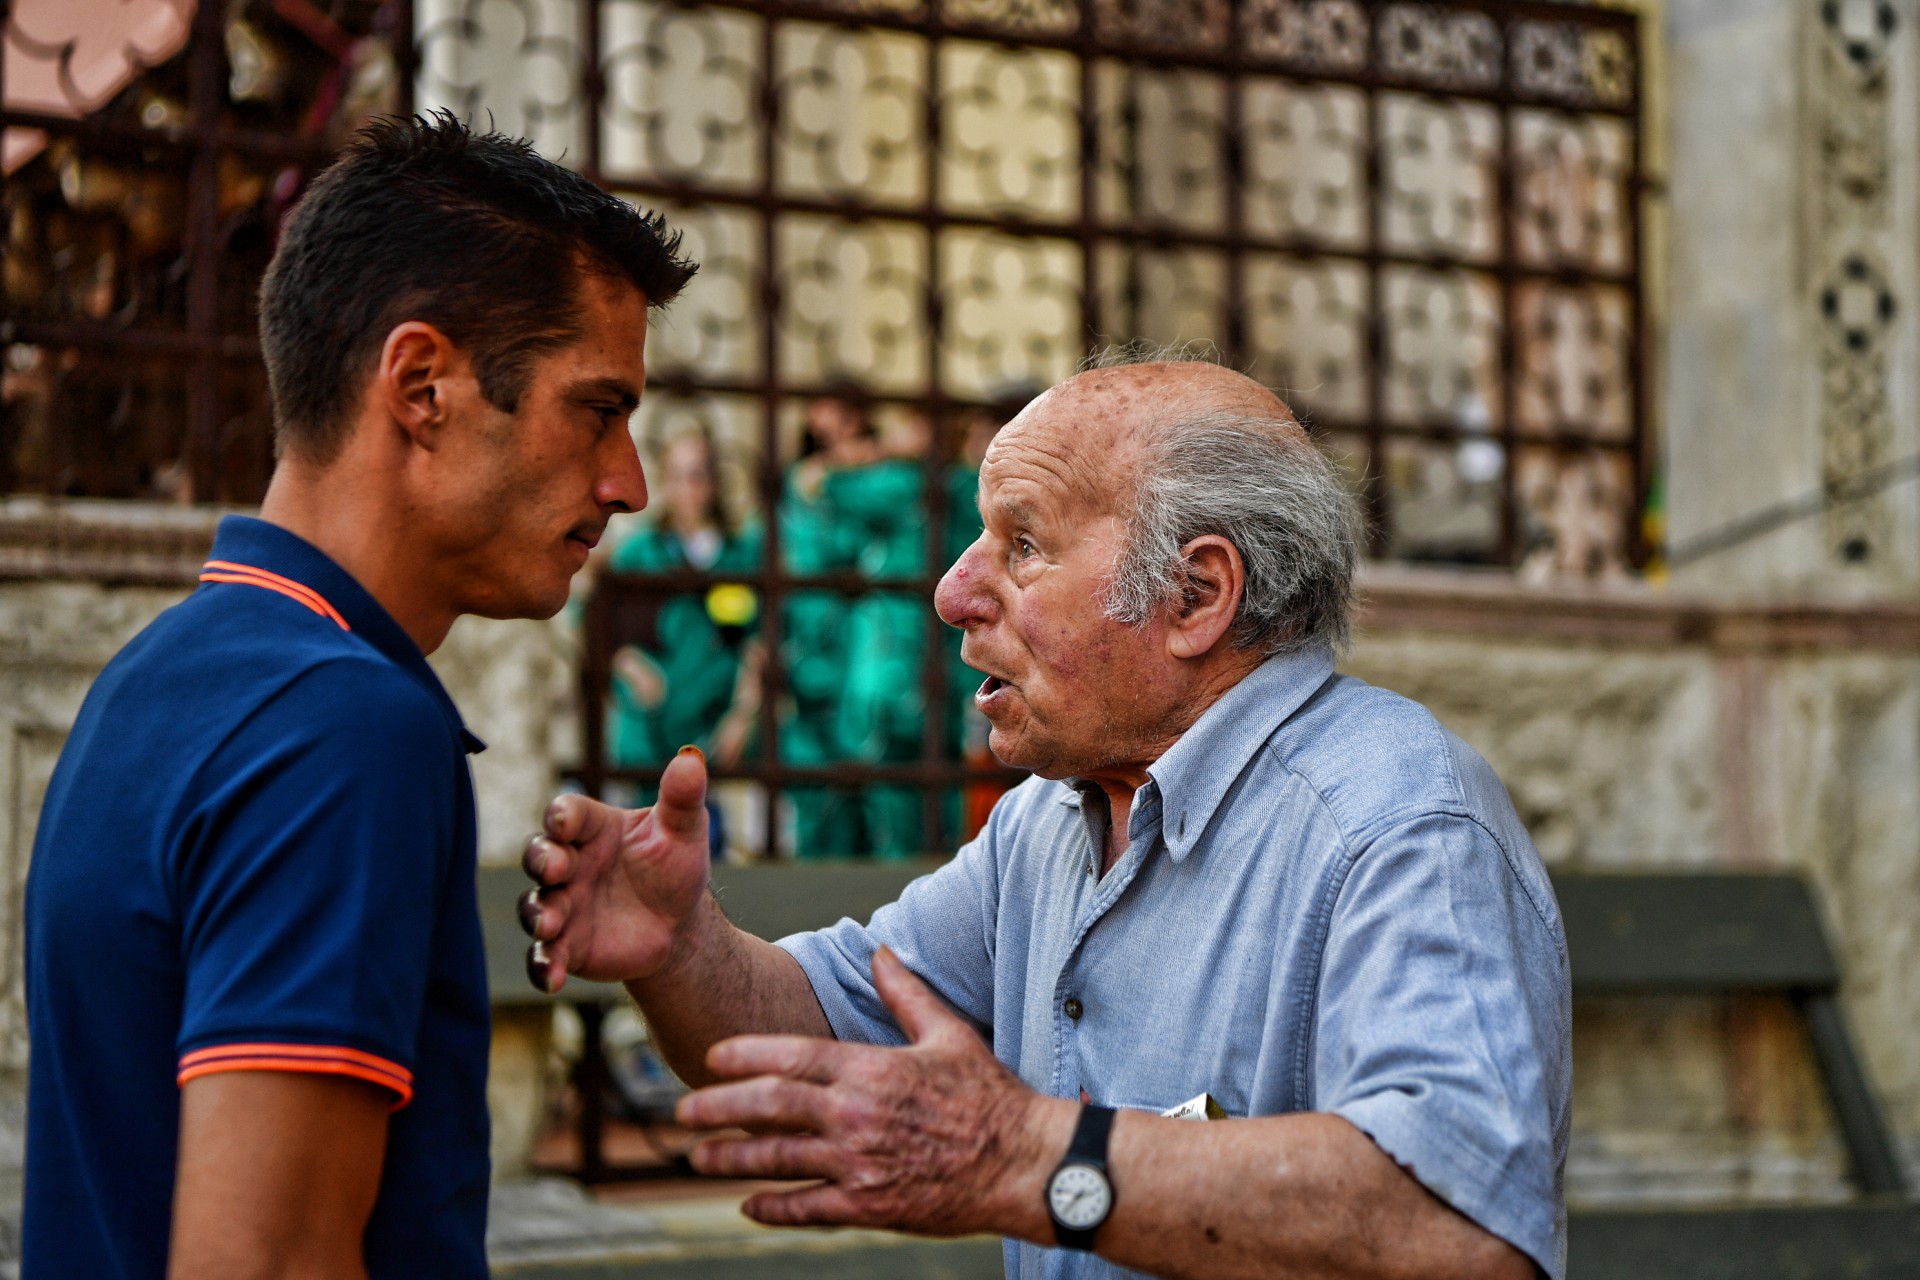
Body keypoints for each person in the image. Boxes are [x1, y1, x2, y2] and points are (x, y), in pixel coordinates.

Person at [520, 355, 1570, 1280]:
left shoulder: (1397, 824)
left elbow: (1462, 1228)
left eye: (1022, 544)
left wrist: (1026, 1157)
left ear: (1196, 596)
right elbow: (821, 1026)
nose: (953, 591)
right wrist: (681, 947)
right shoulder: (1051, 821)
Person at [21, 114, 694, 1280]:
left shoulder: (157, 676)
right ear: (422, 384)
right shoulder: (339, 726)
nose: (626, 482)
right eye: (598, 409)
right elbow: (270, 1259)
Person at [606, 429, 763, 786]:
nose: (688, 489)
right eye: (677, 476)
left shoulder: (741, 556)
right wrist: (630, 666)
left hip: (715, 735)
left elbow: (760, 640)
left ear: (715, 481)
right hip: (647, 734)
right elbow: (593, 624)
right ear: (665, 482)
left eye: (698, 475)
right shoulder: (639, 554)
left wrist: (743, 716)